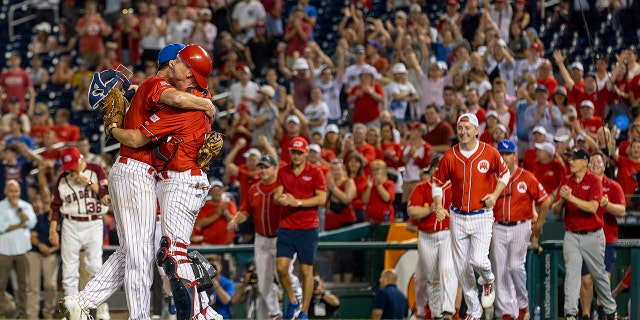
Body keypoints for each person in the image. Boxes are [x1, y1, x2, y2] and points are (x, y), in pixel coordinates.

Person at [59, 44, 218, 319]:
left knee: (131, 251)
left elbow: (159, 97)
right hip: (135, 171)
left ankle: (81, 301)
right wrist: (207, 104)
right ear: (171, 66)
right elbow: (175, 103)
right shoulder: (157, 83)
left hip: (138, 173)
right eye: (178, 61)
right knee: (140, 256)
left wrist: (132, 92)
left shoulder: (150, 88)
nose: (180, 68)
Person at [431, 113, 510, 320]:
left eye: (468, 128)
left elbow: (505, 174)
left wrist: (494, 194)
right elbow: (437, 183)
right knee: (462, 267)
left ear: (477, 130)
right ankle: (474, 310)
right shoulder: (450, 155)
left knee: (478, 260)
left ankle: (488, 279)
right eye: (460, 128)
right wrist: (438, 205)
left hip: (482, 215)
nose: (463, 132)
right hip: (457, 216)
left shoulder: (489, 152)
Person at [228, 154, 303, 319]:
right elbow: (245, 211)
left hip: (281, 237)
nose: (262, 170)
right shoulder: (254, 189)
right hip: (261, 239)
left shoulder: (283, 185)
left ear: (276, 168)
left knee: (285, 274)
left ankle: (298, 302)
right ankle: (275, 313)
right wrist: (235, 220)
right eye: (261, 167)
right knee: (264, 281)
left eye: (266, 167)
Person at [550, 148, 618, 320]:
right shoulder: (567, 180)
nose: (571, 162)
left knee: (598, 274)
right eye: (570, 159)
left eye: (575, 159)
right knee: (572, 274)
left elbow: (592, 207)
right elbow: (555, 208)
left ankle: (610, 308)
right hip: (572, 234)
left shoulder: (594, 180)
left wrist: (571, 198)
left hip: (593, 235)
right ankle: (570, 313)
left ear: (585, 162)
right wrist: (563, 199)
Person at [491, 140, 550, 320]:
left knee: (516, 267)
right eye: (501, 154)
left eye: (507, 154)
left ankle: (523, 304)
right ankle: (507, 312)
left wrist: (539, 225)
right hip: (498, 226)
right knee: (500, 271)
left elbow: (545, 201)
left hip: (520, 226)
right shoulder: (492, 178)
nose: (504, 157)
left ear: (514, 155)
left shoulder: (526, 176)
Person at [48, 147, 110, 312]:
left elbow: (105, 196)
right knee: (69, 271)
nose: (71, 168)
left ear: (81, 159)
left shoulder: (96, 170)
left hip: (93, 222)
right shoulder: (63, 177)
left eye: (74, 164)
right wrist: (53, 229)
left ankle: (102, 310)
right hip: (70, 224)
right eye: (68, 165)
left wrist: (86, 180)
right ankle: (73, 312)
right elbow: (55, 206)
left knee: (95, 267)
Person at [274, 137, 327, 319]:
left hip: (307, 227)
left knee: (306, 271)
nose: (296, 155)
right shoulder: (283, 171)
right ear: (290, 153)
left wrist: (296, 202)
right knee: (281, 268)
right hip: (287, 226)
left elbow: (321, 199)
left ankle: (304, 311)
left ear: (305, 153)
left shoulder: (316, 172)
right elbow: (277, 196)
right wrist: (281, 199)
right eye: (293, 152)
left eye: (299, 152)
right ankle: (293, 300)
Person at [407, 155, 457, 319]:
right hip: (426, 236)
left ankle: (448, 311)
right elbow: (412, 211)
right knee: (432, 279)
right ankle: (437, 314)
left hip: (447, 235)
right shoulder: (422, 187)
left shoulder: (456, 188)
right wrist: (432, 209)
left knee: (446, 271)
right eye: (437, 168)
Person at [579, 152, 626, 319]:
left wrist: (608, 205)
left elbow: (621, 210)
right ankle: (585, 314)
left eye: (599, 161)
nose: (595, 164)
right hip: (586, 237)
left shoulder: (613, 186)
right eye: (592, 162)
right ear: (587, 165)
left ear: (605, 165)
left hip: (608, 239)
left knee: (603, 280)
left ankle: (602, 311)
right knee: (586, 280)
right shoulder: (582, 184)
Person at [0, 180, 37, 317]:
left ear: (19, 191)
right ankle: (2, 313)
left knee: (24, 286)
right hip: (4, 251)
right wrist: (20, 225)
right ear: (5, 192)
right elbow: (1, 228)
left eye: (16, 191)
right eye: (11, 191)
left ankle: (24, 314)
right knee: (1, 285)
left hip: (22, 250)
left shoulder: (25, 206)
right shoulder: (1, 206)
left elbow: (31, 223)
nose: (13, 194)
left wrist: (18, 209)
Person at [192, 181, 237, 245]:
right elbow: (200, 223)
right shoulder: (205, 206)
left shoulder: (229, 204)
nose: (217, 193)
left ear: (222, 191)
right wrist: (217, 215)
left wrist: (226, 214)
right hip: (209, 244)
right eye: (214, 190)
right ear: (210, 192)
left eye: (219, 190)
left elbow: (235, 222)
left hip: (227, 244)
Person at [206, 255, 235, 319]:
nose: (213, 269)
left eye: (214, 266)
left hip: (223, 317)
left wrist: (215, 284)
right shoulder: (202, 283)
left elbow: (226, 301)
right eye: (210, 267)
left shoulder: (228, 283)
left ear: (220, 267)